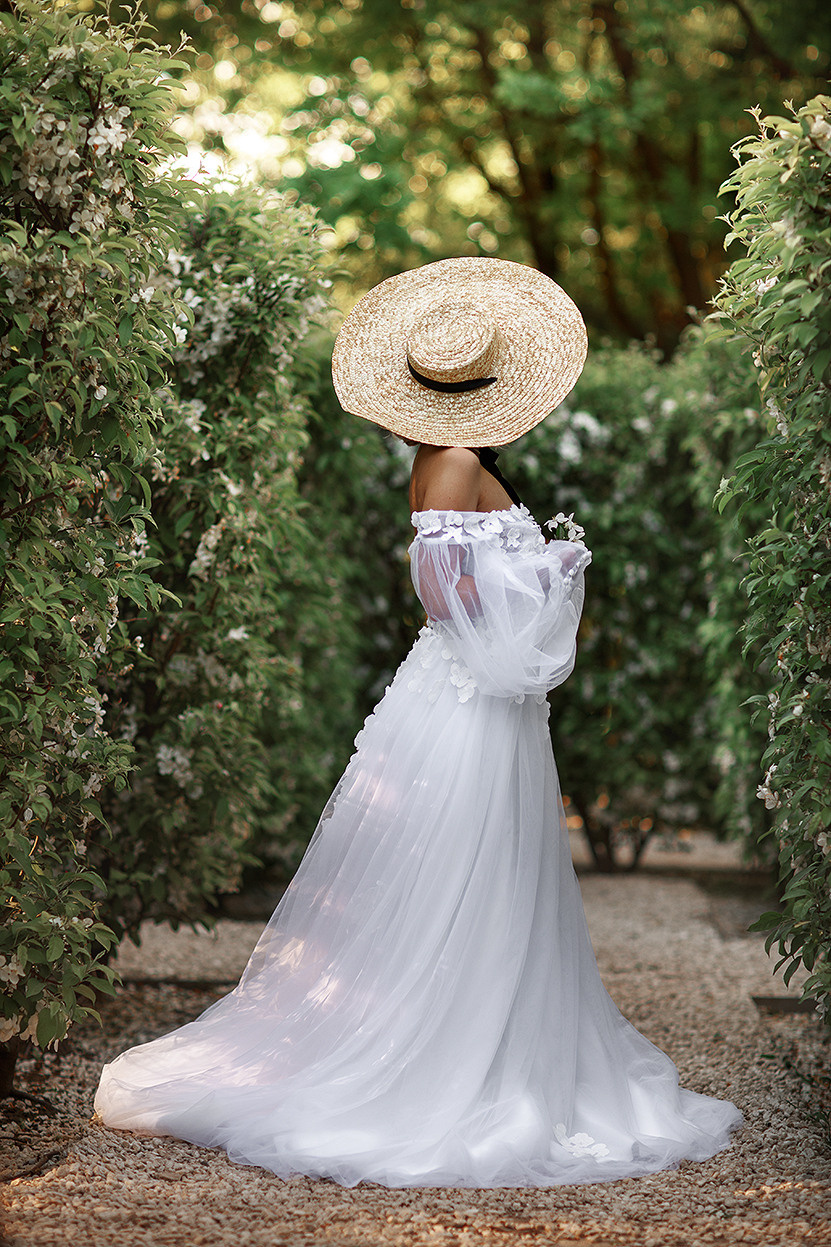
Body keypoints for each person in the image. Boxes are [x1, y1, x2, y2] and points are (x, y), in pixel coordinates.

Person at [95, 257, 743, 1189]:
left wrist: (532, 588)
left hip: (483, 693)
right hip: (472, 693)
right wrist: (531, 613)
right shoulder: (458, 462)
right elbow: (441, 588)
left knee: (489, 863)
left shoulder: (447, 461)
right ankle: (453, 1056)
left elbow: (465, 579)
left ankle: (493, 1037)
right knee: (465, 860)